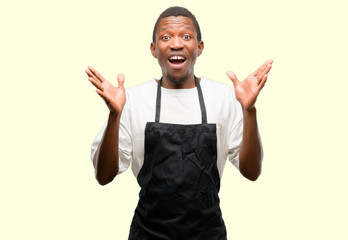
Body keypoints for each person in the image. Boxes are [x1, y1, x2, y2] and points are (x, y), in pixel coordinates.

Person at [87, 6, 273, 240]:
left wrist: (249, 110)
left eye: (186, 36)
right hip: (147, 234)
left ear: (200, 47)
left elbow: (252, 172)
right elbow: (103, 176)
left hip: (208, 234)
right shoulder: (131, 100)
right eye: (166, 37)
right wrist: (115, 115)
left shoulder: (223, 97)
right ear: (154, 49)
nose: (176, 44)